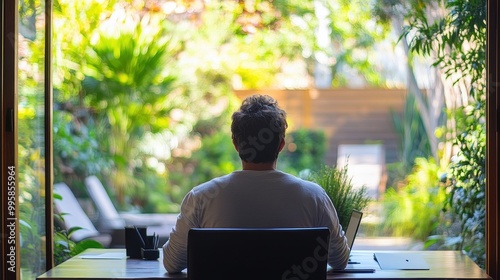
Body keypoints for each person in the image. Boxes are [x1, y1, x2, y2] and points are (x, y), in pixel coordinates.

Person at [162, 94, 350, 273]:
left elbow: (172, 263)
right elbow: (340, 260)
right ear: (281, 145)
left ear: (235, 144)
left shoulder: (201, 198)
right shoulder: (314, 197)